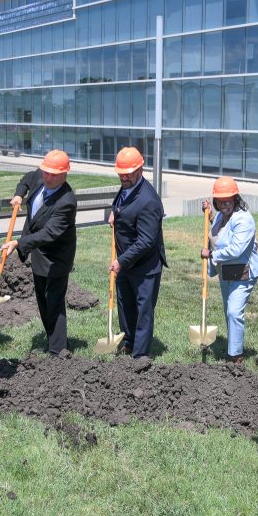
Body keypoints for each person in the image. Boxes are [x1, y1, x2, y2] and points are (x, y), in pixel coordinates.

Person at [1, 150, 77, 355]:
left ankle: (58, 350)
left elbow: (49, 233)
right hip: (39, 254)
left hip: (56, 257)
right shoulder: (41, 176)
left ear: (64, 174)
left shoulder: (66, 201)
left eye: (53, 174)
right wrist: (19, 193)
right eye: (46, 172)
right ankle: (54, 340)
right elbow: (27, 178)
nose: (48, 177)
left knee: (54, 301)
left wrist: (19, 243)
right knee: (42, 301)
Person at [109, 147, 167, 359]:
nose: (124, 176)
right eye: (121, 173)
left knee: (143, 310)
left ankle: (140, 355)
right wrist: (114, 214)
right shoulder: (127, 187)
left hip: (145, 266)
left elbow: (146, 241)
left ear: (141, 169)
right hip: (126, 263)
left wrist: (121, 261)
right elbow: (122, 204)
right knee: (125, 306)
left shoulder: (149, 201)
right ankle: (129, 342)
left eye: (129, 173)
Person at [199, 176, 258, 363]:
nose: (224, 203)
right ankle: (233, 346)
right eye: (220, 201)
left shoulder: (244, 219)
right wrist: (209, 215)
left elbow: (236, 249)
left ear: (236, 198)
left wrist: (211, 255)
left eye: (228, 199)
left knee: (234, 311)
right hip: (226, 270)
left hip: (244, 270)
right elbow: (219, 233)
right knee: (229, 311)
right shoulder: (221, 215)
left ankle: (235, 357)